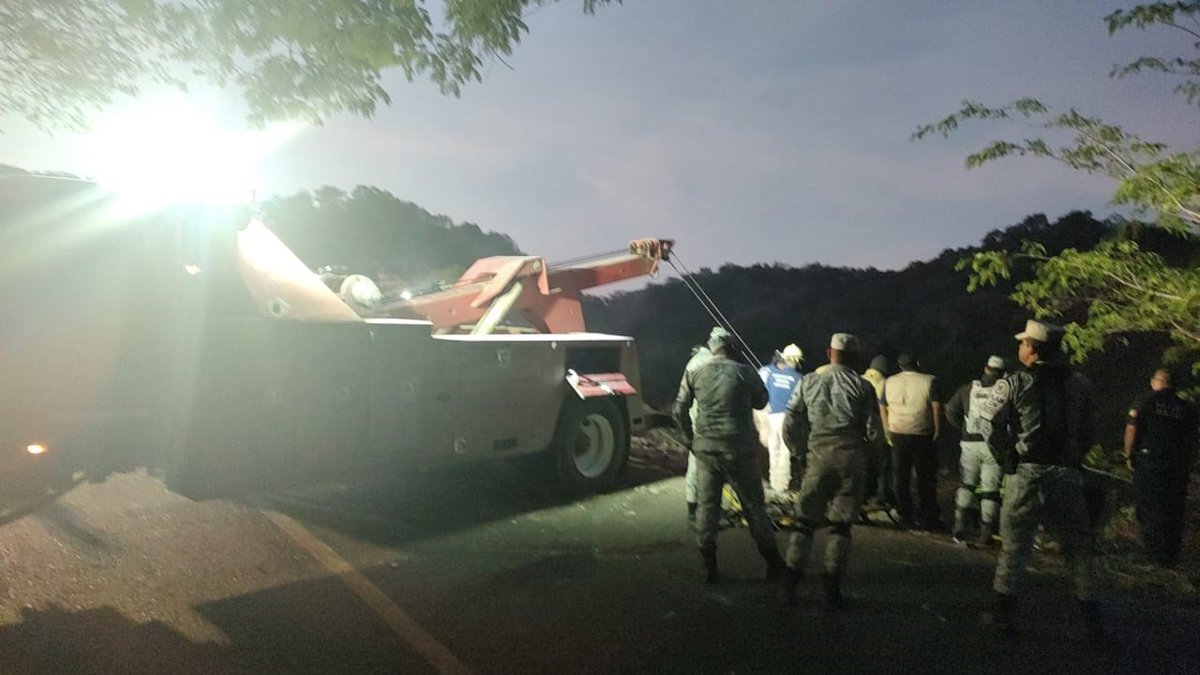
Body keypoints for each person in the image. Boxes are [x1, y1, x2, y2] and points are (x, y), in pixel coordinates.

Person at [988, 319, 1101, 642]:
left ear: (1032, 349)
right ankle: (1091, 618)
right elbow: (1091, 427)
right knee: (1079, 548)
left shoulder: (1013, 383)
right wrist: (1077, 457)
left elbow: (991, 425)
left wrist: (1006, 459)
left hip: (1027, 472)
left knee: (1014, 547)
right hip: (1066, 473)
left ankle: (1003, 616)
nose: (1019, 346)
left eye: (1023, 343)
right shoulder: (1079, 383)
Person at [781, 333, 885, 611]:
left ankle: (790, 584)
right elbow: (874, 432)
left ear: (829, 353)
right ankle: (831, 589)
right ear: (855, 357)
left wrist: (799, 452)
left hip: (817, 458)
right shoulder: (863, 386)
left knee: (804, 522)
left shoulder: (808, 381)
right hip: (850, 461)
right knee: (841, 526)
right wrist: (874, 462)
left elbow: (790, 423)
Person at [674, 326, 785, 584]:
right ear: (732, 347)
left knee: (707, 507)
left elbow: (678, 410)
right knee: (754, 507)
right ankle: (773, 563)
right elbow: (761, 401)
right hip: (739, 449)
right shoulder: (744, 372)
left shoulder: (695, 372)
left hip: (706, 450)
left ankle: (709, 568)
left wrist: (689, 439)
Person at [1125, 368, 1199, 568]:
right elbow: (1194, 439)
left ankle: (1151, 555)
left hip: (1150, 461)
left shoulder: (1145, 401)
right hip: (1177, 465)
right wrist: (1190, 462)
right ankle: (1170, 557)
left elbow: (1132, 428)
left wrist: (1129, 454)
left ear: (1156, 381)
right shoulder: (1187, 407)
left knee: (1148, 506)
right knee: (1174, 509)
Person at [944, 355, 1008, 545]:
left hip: (969, 443)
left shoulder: (968, 389)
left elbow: (950, 411)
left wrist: (962, 429)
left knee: (967, 484)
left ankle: (959, 526)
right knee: (990, 490)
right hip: (994, 446)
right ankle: (985, 533)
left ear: (986, 369)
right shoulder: (1006, 392)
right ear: (1002, 374)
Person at [881, 351, 943, 530]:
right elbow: (936, 407)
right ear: (918, 363)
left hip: (897, 432)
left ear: (900, 365)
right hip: (921, 432)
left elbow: (882, 405)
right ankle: (927, 516)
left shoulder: (889, 381)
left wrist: (886, 427)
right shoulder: (929, 380)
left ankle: (905, 513)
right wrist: (938, 429)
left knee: (900, 476)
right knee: (925, 476)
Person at [758, 344, 804, 496]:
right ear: (797, 361)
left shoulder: (772, 375)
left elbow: (765, 395)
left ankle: (774, 483)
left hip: (772, 417)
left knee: (774, 451)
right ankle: (782, 487)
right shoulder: (799, 378)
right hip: (788, 418)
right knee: (784, 452)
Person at [681, 344, 715, 524]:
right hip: (711, 421)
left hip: (696, 420)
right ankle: (712, 511)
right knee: (714, 468)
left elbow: (682, 400)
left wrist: (686, 433)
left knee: (694, 464)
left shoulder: (693, 363)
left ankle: (692, 509)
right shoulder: (713, 361)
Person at [861, 355, 895, 507]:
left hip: (858, 428)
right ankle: (881, 495)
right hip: (878, 427)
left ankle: (863, 494)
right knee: (882, 463)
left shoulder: (858, 379)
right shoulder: (886, 383)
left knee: (863, 462)